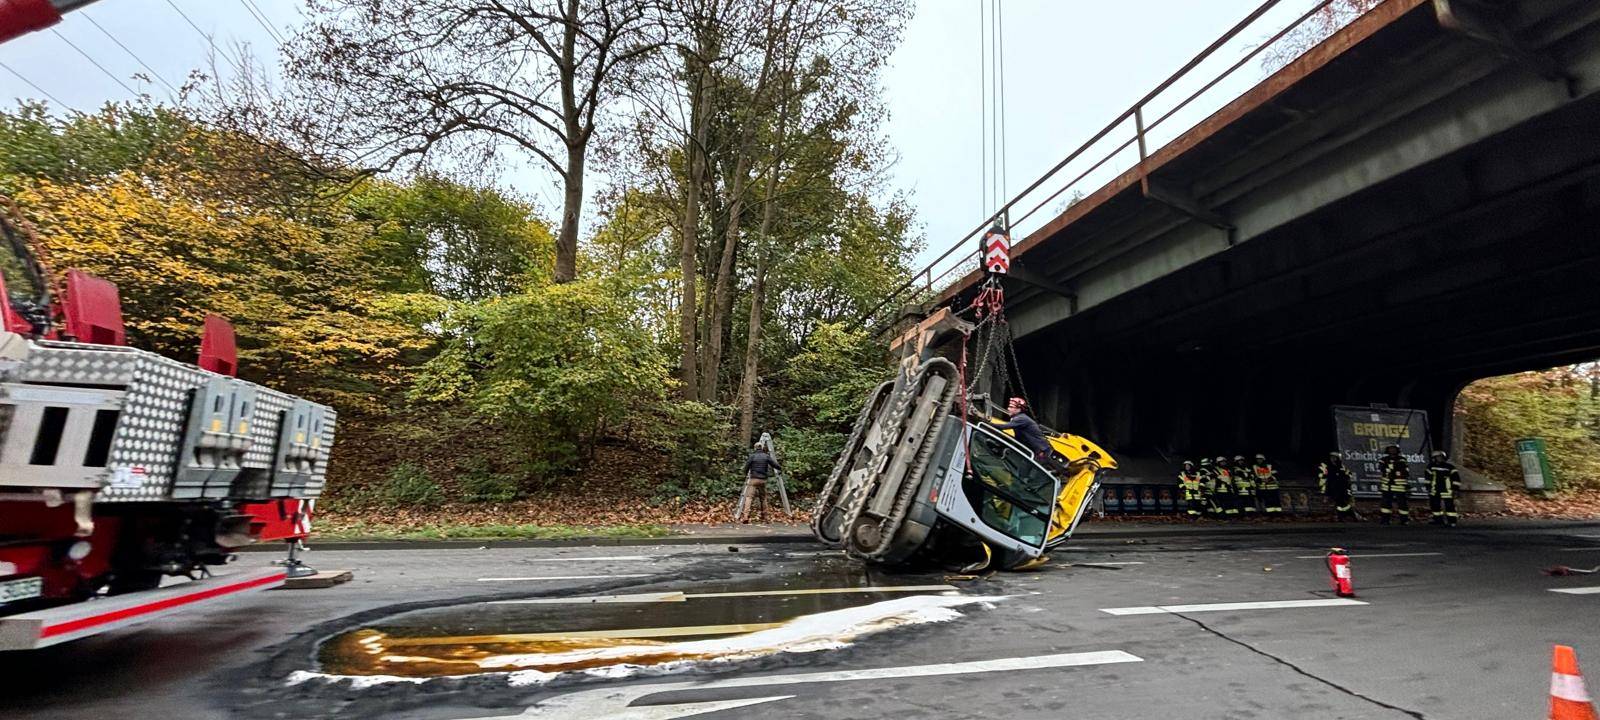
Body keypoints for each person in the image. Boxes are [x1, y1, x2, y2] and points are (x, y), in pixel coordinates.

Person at [737, 443, 782, 523]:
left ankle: (745, 516)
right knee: (763, 498)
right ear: (762, 448)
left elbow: (746, 466)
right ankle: (766, 517)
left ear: (755, 448)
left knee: (749, 497)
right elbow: (775, 465)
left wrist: (746, 473)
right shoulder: (766, 456)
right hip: (763, 480)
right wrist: (780, 468)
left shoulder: (752, 456)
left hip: (754, 479)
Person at [1426, 450, 1462, 527]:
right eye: (1438, 457)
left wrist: (1455, 489)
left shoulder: (1450, 467)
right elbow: (1428, 478)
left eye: (1441, 457)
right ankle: (1438, 520)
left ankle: (1452, 521)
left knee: (1449, 506)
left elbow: (1456, 479)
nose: (1440, 459)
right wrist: (1428, 487)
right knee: (1435, 505)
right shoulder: (1430, 467)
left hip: (1447, 490)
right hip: (1435, 490)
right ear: (1434, 458)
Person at [1318, 451, 1357, 521]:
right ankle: (1342, 516)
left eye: (1334, 458)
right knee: (1339, 503)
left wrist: (1347, 482)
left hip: (1344, 488)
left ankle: (1349, 514)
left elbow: (1349, 475)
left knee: (1344, 502)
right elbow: (1328, 479)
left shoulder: (1342, 467)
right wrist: (1327, 492)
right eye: (1331, 457)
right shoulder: (1329, 467)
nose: (1332, 459)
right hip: (1335, 488)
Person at [1377, 444, 1411, 525]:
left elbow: (1403, 470)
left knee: (1402, 503)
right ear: (1387, 450)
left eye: (1394, 449)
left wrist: (1391, 468)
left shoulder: (1402, 459)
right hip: (1387, 485)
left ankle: (1404, 520)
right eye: (1391, 449)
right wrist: (1392, 468)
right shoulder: (1383, 459)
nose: (1392, 450)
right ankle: (1385, 519)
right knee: (1385, 503)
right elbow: (1382, 468)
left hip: (1399, 486)